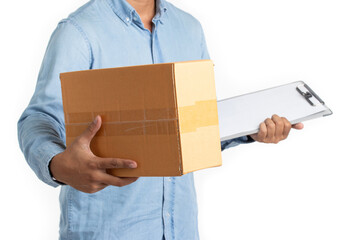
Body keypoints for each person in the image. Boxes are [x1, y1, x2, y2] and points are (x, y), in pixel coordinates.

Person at [17, 0, 303, 239]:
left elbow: (193, 127)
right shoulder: (79, 31)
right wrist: (56, 165)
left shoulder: (189, 29)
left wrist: (251, 129)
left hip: (181, 229)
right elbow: (39, 117)